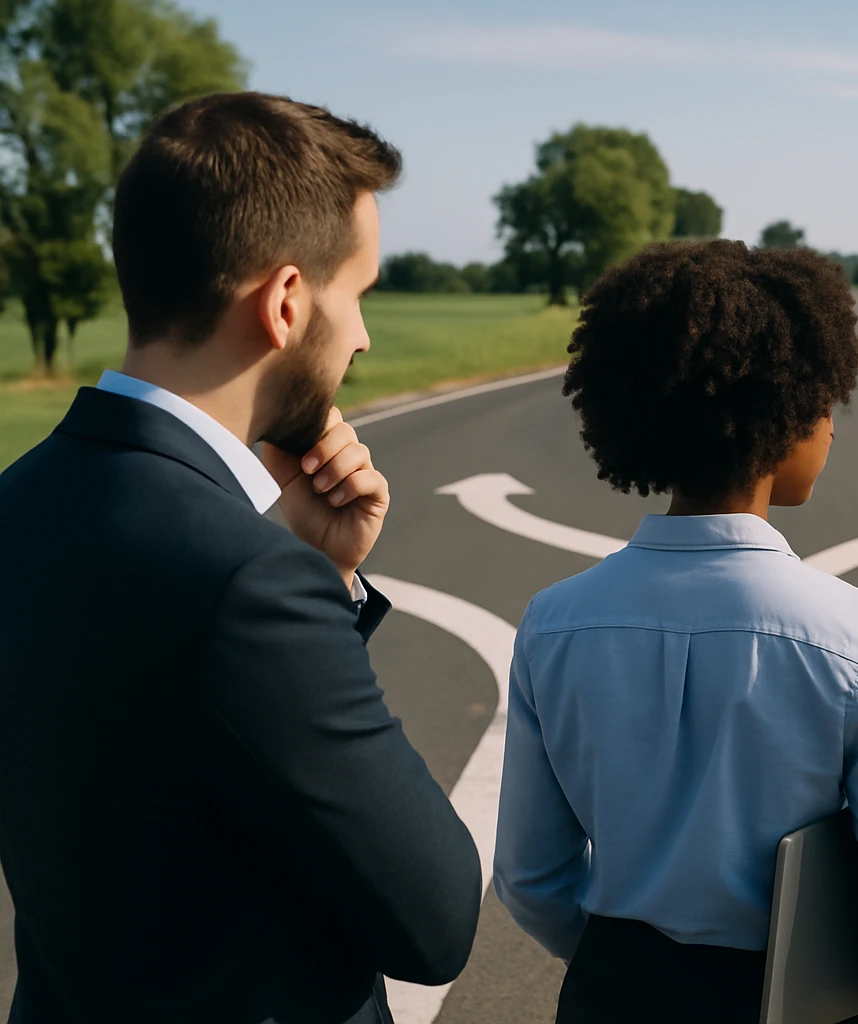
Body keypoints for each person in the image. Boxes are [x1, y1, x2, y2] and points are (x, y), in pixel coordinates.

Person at [0, 93, 483, 1023]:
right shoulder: (249, 581)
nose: (365, 336)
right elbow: (435, 919)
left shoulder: (17, 503)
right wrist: (318, 586)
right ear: (287, 302)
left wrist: (319, 568)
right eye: (360, 295)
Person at [493, 240, 858, 1023]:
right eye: (823, 402)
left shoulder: (553, 622)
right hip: (790, 1001)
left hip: (611, 995)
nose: (832, 428)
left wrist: (625, 969)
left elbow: (530, 879)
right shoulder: (856, 637)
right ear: (780, 418)